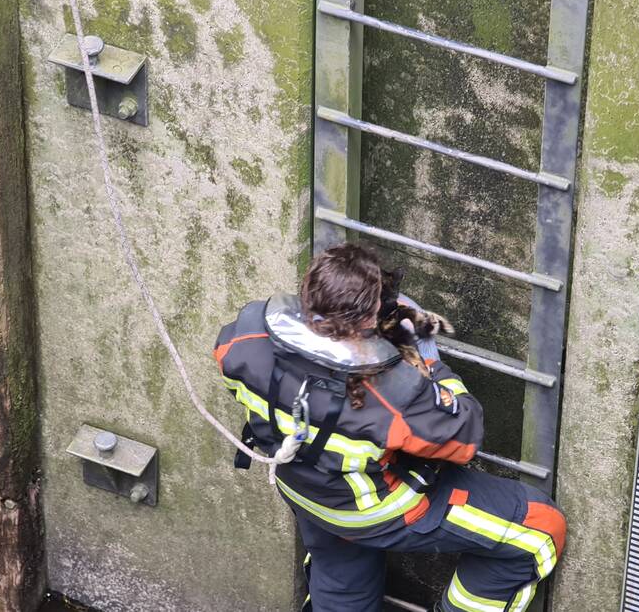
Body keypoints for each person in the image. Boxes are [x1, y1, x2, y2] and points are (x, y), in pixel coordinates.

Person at [214, 243, 566, 612]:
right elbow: (464, 436)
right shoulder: (393, 393)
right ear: (369, 320)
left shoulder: (243, 336)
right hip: (370, 509)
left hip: (302, 487)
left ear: (308, 294)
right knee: (539, 528)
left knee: (341, 574)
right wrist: (425, 358)